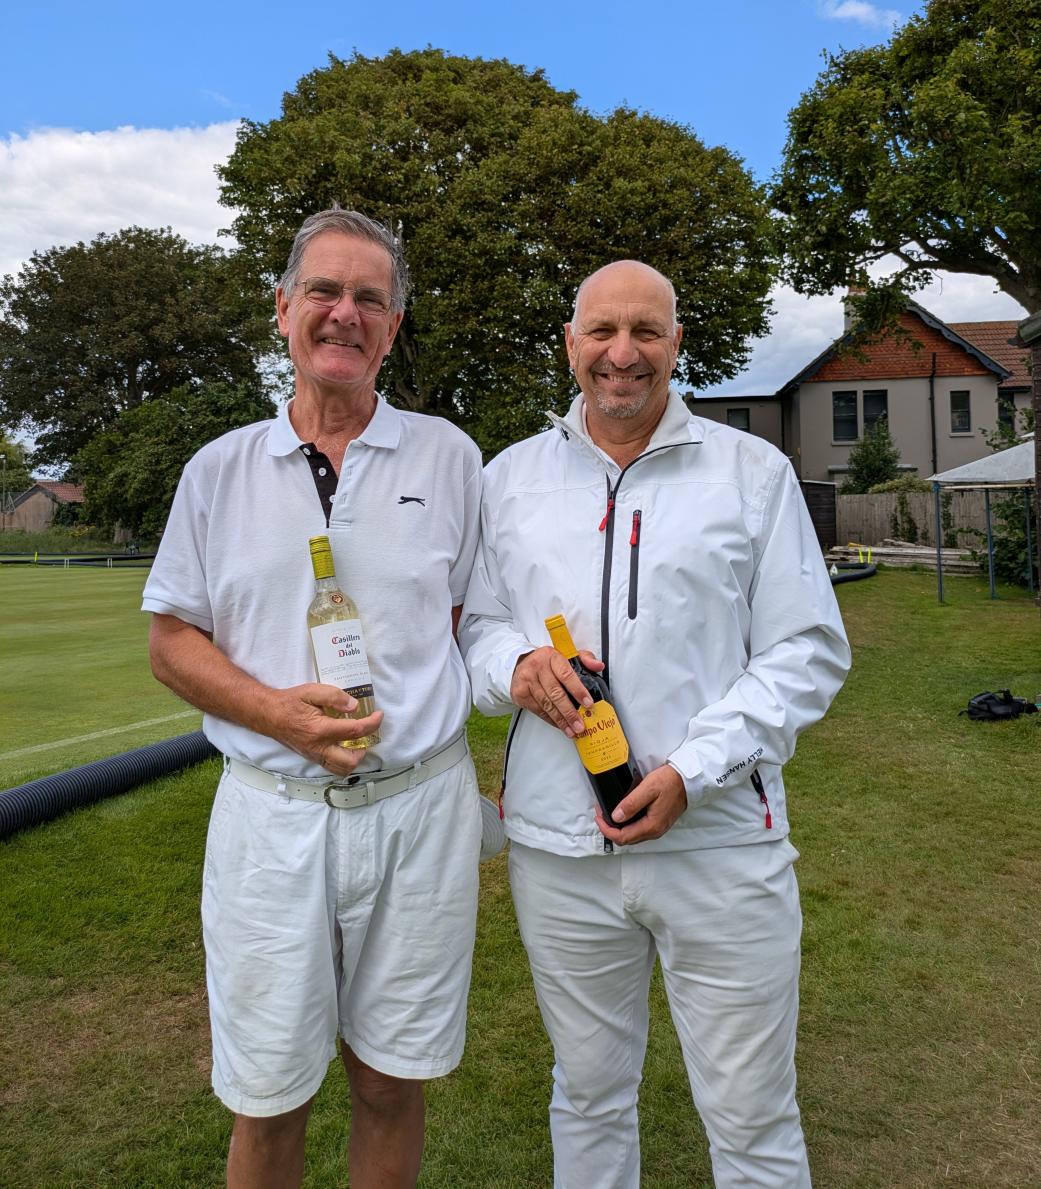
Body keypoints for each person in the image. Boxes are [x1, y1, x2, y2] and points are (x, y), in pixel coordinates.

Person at [460, 260, 851, 1188]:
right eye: (600, 331)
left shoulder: (751, 473)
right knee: (587, 1097)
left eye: (645, 331)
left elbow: (805, 651)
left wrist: (695, 768)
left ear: (677, 343)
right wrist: (514, 668)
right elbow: (475, 626)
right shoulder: (508, 477)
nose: (621, 354)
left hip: (719, 846)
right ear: (570, 343)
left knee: (752, 1120)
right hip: (559, 852)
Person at [142, 209, 492, 1189]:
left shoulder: (450, 460)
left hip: (418, 813)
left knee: (389, 1082)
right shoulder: (217, 471)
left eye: (370, 299)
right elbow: (171, 639)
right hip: (273, 820)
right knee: (268, 1095)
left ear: (393, 326)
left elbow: (470, 624)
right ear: (283, 310)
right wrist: (276, 713)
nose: (346, 313)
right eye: (326, 293)